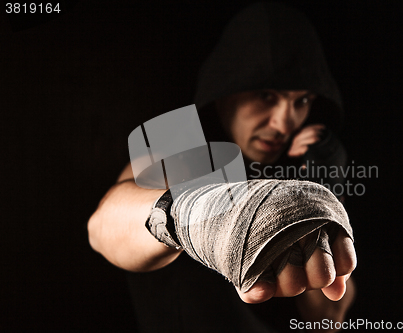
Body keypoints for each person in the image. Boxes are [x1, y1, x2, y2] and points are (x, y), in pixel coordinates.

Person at [88, 3, 356, 332]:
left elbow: (327, 318)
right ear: (225, 93)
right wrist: (195, 215)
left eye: (301, 101)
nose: (284, 123)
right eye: (266, 95)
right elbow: (101, 228)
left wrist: (321, 192)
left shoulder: (304, 158)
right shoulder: (180, 136)